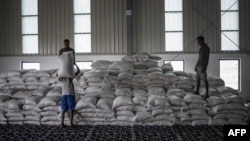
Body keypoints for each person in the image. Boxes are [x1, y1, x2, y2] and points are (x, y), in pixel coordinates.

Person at [58, 39, 80, 127]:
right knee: (69, 108)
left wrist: (74, 63)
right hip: (69, 93)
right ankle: (66, 123)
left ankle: (66, 123)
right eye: (65, 43)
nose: (66, 44)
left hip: (65, 93)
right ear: (64, 43)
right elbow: (78, 71)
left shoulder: (63, 76)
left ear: (69, 43)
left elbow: (59, 75)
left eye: (67, 43)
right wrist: (75, 65)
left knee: (65, 108)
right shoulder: (70, 76)